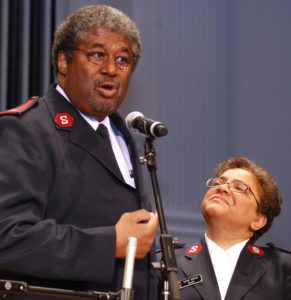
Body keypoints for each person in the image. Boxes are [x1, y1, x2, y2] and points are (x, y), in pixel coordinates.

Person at [0, 5, 159, 300]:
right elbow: (6, 236)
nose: (111, 68)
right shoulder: (26, 129)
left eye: (123, 60)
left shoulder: (128, 137)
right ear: (64, 60)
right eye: (97, 55)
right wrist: (109, 242)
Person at [174, 156, 291, 300]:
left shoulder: (283, 269)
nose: (222, 188)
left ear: (258, 221)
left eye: (239, 188)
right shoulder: (168, 263)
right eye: (218, 182)